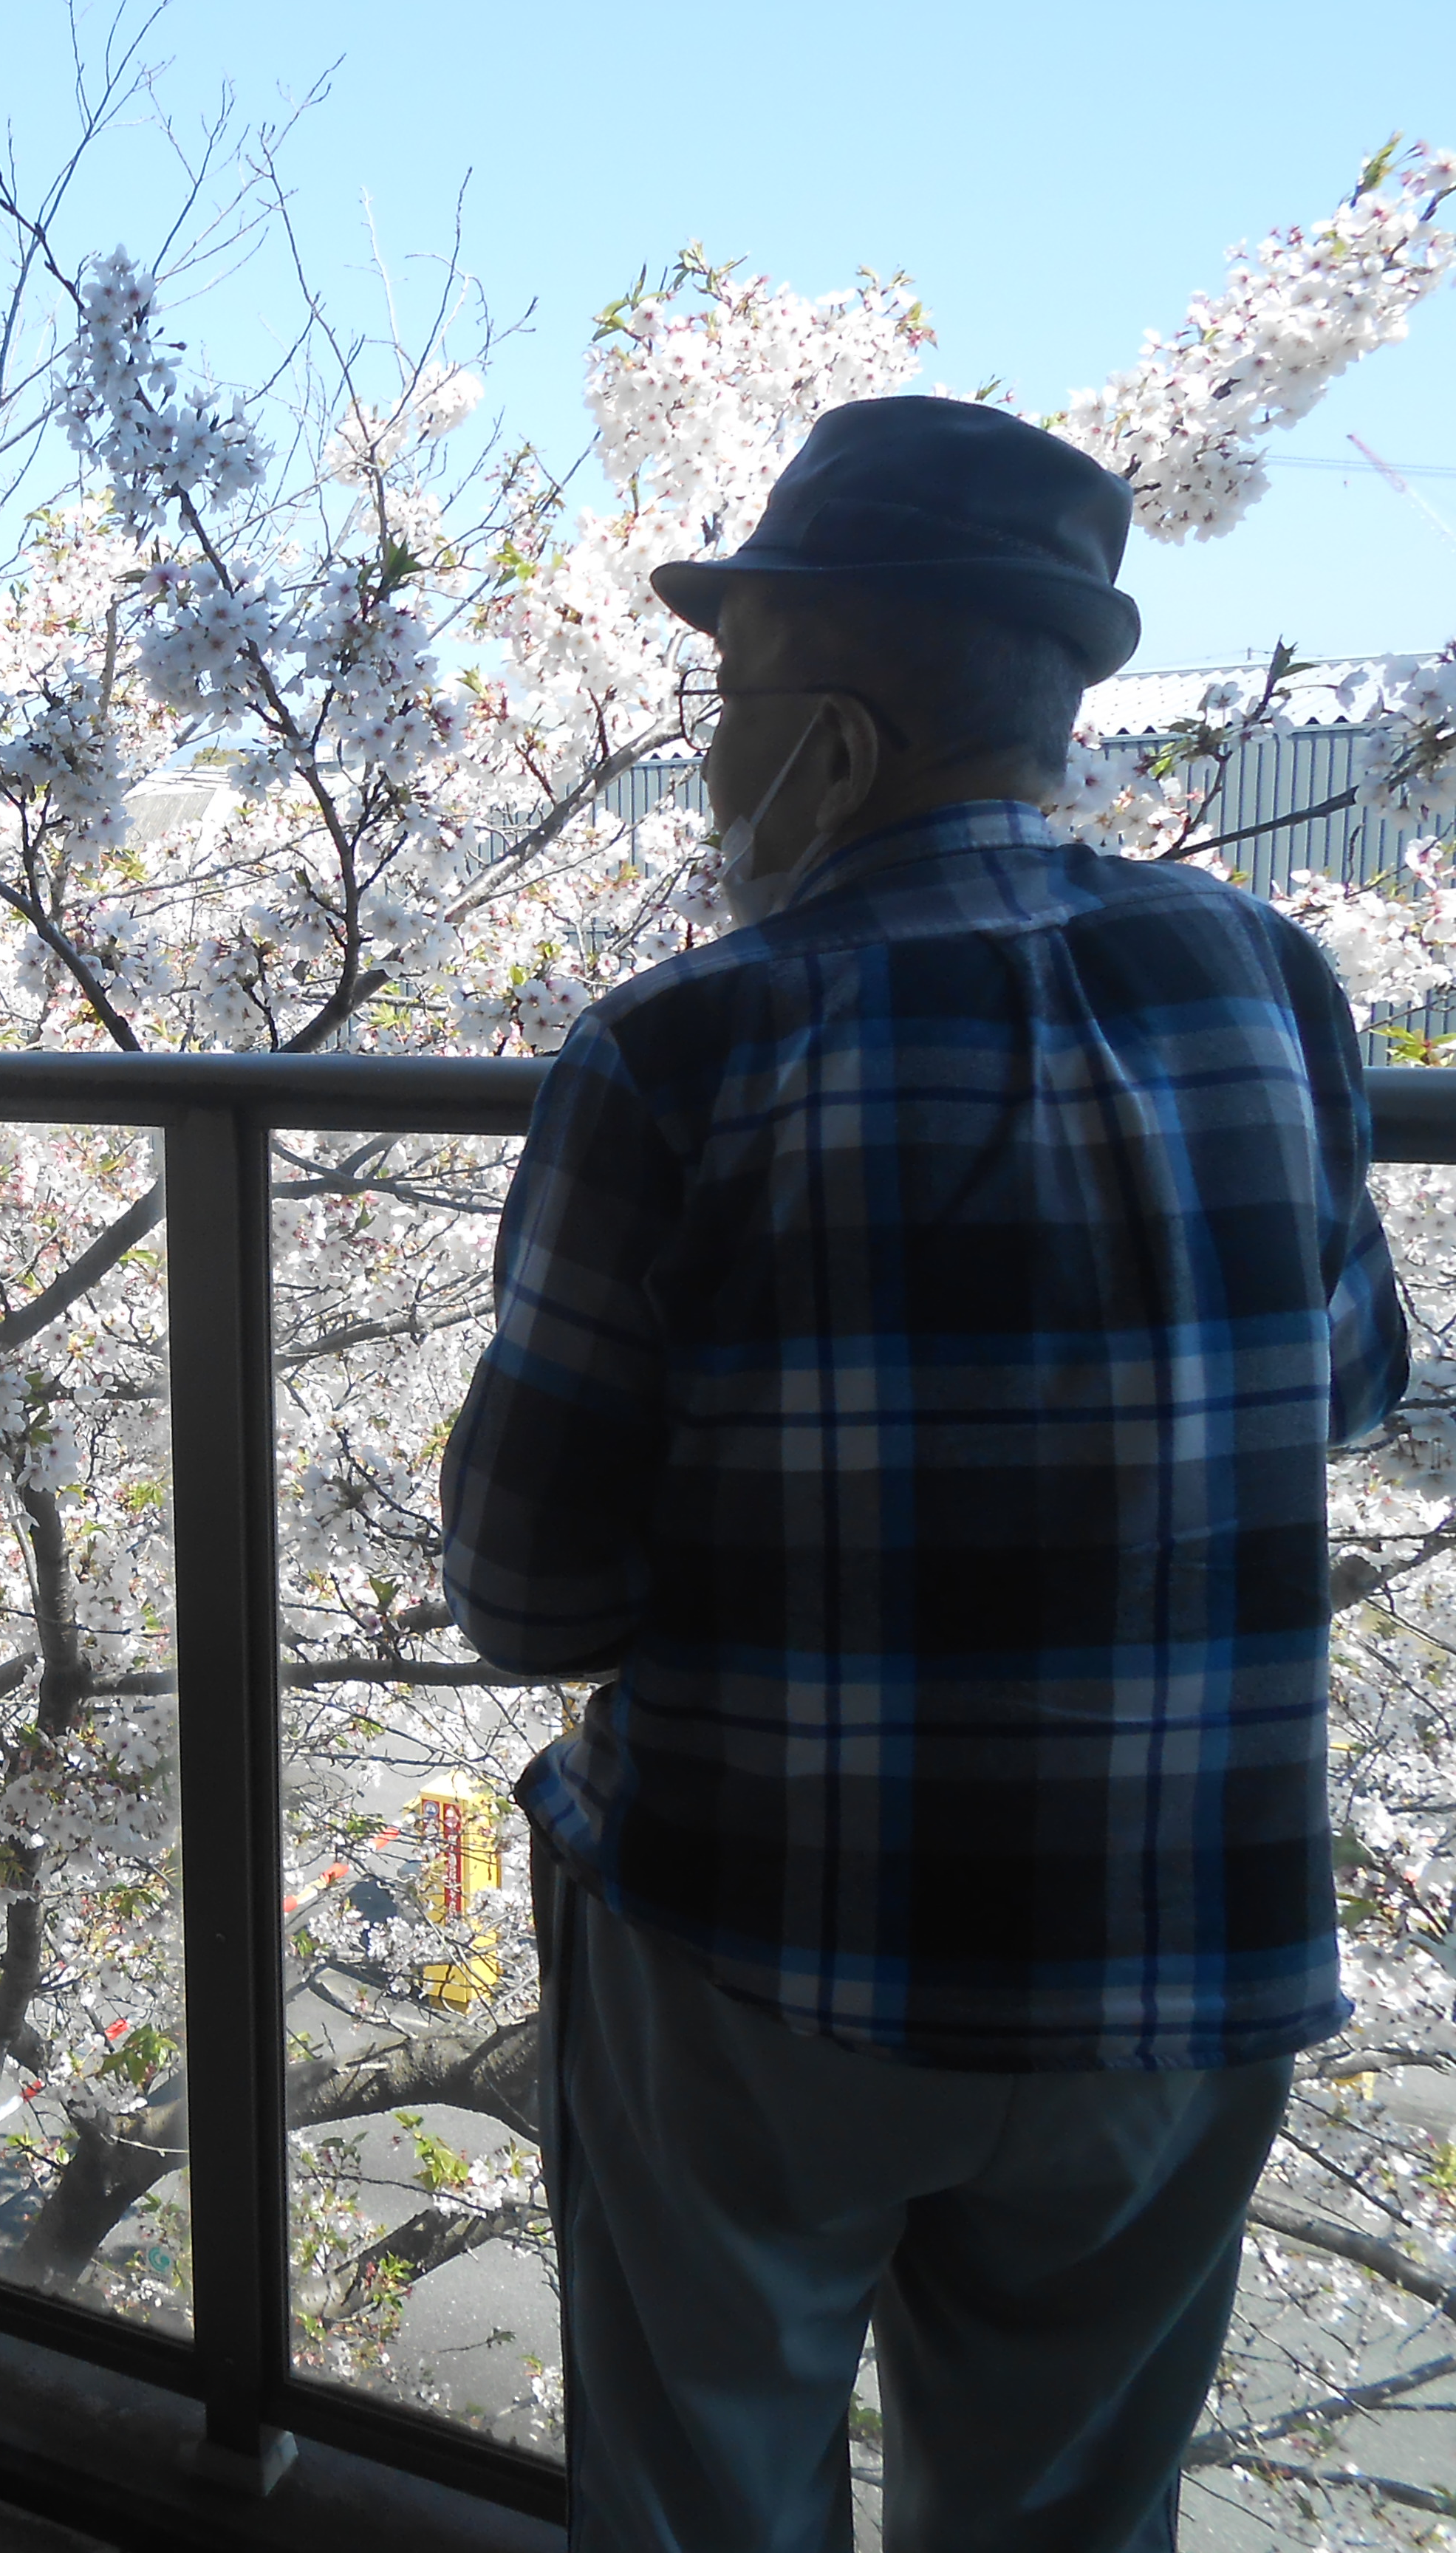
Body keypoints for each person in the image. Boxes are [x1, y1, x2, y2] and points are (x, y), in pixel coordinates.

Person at [438, 397, 1411, 2552]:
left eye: (728, 696)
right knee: (1070, 2512)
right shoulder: (1274, 981)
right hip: (1184, 1949)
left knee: (704, 2492)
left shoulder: (676, 1046)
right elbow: (1349, 1387)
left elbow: (526, 1597)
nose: (707, 754)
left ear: (837, 743)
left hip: (769, 1941)